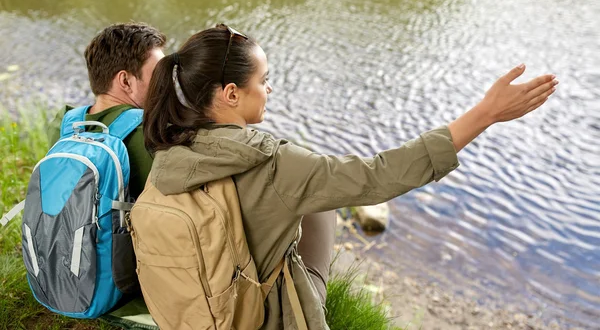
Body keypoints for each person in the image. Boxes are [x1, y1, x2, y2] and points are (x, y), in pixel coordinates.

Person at [141, 24, 558, 329]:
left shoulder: (168, 152)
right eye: (264, 82)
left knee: (316, 197)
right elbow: (380, 176)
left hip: (191, 312)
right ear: (231, 94)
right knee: (324, 203)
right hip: (256, 319)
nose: (269, 91)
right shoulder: (273, 165)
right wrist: (485, 114)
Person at [47, 22, 166, 200]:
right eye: (158, 75)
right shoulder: (150, 134)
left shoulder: (63, 125)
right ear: (125, 81)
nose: (165, 84)